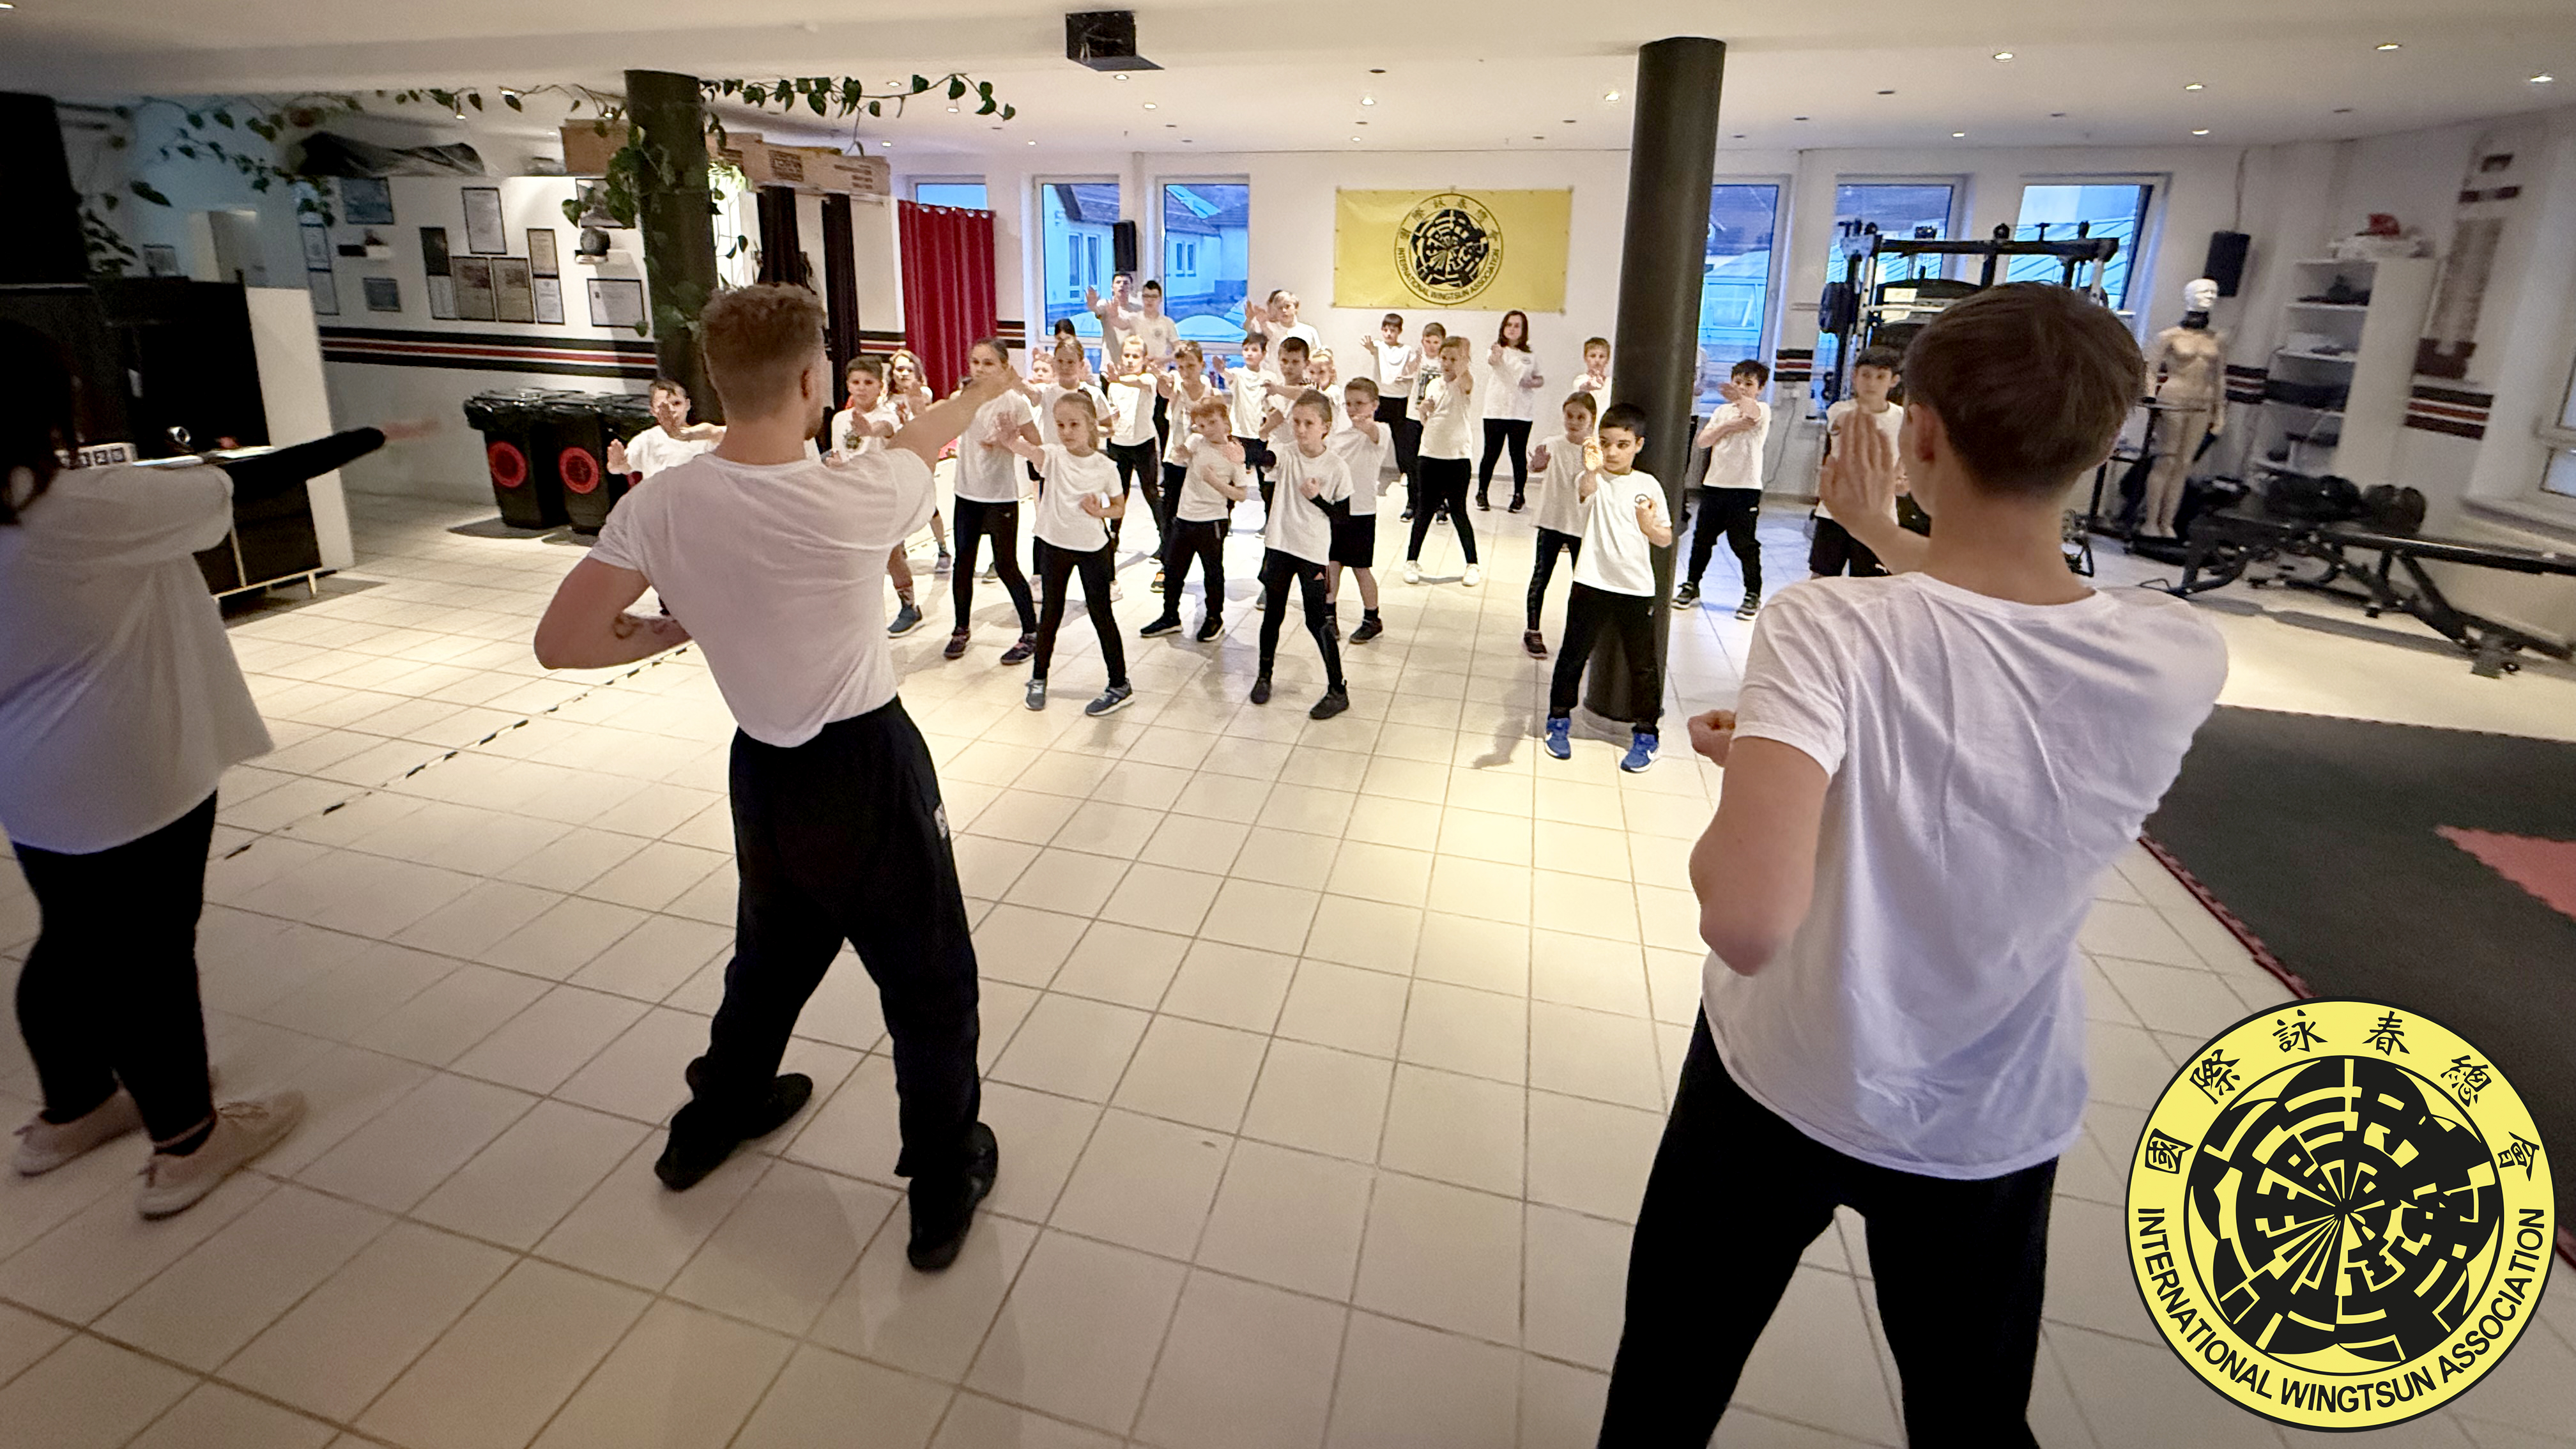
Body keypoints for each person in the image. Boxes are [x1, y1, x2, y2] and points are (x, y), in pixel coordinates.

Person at [1595, 284, 2230, 1445]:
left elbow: (1746, 919)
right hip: (1989, 1104)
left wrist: (1764, 775)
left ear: (1919, 433)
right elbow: (1999, 658)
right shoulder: (2175, 653)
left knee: (1668, 1381)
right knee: (1970, 1414)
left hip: (1777, 1072)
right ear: (2097, 444)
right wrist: (1887, 546)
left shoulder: (1826, 629)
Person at [535, 284, 1004, 1272]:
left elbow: (563, 641)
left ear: (714, 378)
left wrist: (682, 625)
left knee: (772, 957)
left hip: (765, 773)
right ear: (810, 379)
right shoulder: (856, 492)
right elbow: (922, 446)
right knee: (929, 981)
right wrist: (974, 395)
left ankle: (716, 1118)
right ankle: (940, 1175)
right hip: (868, 765)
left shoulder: (662, 503)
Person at [0, 327, 444, 1216]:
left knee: (71, 937)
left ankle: (71, 1109)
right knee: (151, 957)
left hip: (29, 778)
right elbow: (246, 481)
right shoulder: (79, 510)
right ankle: (188, 1142)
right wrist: (372, 438)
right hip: (132, 770)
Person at [1542, 402, 1671, 774]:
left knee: (1642, 665)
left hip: (1636, 588)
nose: (1614, 451)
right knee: (1572, 655)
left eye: (1623, 444)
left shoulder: (1648, 485)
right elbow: (1584, 490)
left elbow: (1664, 538)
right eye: (1607, 443)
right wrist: (1590, 466)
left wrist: (1648, 527)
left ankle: (1647, 735)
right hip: (1591, 582)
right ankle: (1558, 720)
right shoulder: (1591, 478)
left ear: (1638, 445)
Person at [993, 392, 1135, 717]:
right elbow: (1024, 448)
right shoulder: (1052, 456)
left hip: (1092, 550)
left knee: (1102, 616)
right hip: (1055, 546)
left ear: (1090, 426)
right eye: (1060, 424)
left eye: (1074, 424)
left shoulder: (1106, 466)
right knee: (1051, 615)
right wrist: (1009, 437)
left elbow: (1119, 508)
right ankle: (1038, 678)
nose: (1066, 431)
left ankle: (1119, 684)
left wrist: (1099, 511)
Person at [1252, 390, 1353, 719]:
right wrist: (1245, 451)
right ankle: (1264, 675)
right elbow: (1267, 459)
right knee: (1273, 614)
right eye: (1296, 422)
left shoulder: (1336, 467)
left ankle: (1338, 689)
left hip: (1312, 553)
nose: (1300, 429)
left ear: (1325, 427)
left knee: (1318, 620)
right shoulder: (1287, 453)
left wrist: (1317, 498)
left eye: (1308, 423)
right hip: (1280, 546)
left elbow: (1343, 517)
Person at [943, 339, 1041, 664]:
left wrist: (1008, 440)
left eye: (988, 363)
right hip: (966, 493)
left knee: (1006, 565)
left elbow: (1038, 447)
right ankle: (961, 628)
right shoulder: (963, 399)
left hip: (999, 496)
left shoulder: (1015, 403)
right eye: (975, 362)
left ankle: (1031, 632)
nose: (980, 369)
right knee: (963, 563)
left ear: (1003, 367)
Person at [834, 356, 931, 638]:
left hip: (883, 496)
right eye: (855, 383)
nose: (861, 389)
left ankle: (909, 607)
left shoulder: (888, 414)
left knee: (890, 555)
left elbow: (885, 429)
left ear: (880, 386)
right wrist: (838, 466)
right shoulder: (840, 419)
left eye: (868, 383)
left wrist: (869, 430)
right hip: (852, 496)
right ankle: (863, 614)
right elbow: (842, 452)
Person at [1138, 396, 1246, 643]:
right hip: (1185, 518)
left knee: (1213, 573)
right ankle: (1170, 616)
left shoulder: (1233, 454)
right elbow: (1180, 460)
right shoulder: (1196, 441)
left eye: (1213, 422)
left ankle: (1214, 618)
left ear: (1226, 421)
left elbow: (1241, 493)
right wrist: (1182, 453)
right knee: (1174, 570)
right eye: (1201, 424)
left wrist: (1216, 483)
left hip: (1212, 521)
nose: (1208, 429)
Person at [1676, 359, 1772, 620]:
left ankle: (1753, 593)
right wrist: (1729, 426)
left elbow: (1752, 416)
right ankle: (1691, 585)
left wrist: (1741, 404)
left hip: (1744, 488)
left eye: (1749, 384)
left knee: (1743, 544)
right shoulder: (1722, 412)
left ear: (1760, 388)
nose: (1741, 388)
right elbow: (1704, 441)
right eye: (1738, 382)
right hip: (1715, 484)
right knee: (1702, 540)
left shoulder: (1761, 408)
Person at [1810, 345, 1905, 579]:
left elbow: (1906, 456)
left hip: (1878, 515)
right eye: (1866, 375)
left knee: (1870, 583)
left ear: (1894, 381)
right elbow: (1839, 423)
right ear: (1855, 377)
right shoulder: (1840, 410)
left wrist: (1899, 479)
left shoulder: (1902, 418)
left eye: (1880, 376)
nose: (1872, 383)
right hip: (1836, 512)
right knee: (1822, 578)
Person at [1521, 391, 1598, 658]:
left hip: (1581, 524)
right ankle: (1532, 631)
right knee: (1541, 575)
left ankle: (1577, 638)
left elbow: (1595, 484)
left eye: (1581, 417)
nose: (1574, 422)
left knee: (1582, 584)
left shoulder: (1594, 450)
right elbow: (1536, 466)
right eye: (1569, 416)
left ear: (1591, 419)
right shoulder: (1552, 443)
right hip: (1552, 519)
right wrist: (1536, 464)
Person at [1405, 334, 1481, 587]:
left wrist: (1464, 365)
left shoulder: (1464, 382)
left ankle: (1472, 564)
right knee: (1424, 509)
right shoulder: (1434, 385)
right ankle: (1411, 560)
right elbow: (1429, 415)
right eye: (1444, 358)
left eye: (1454, 359)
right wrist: (1424, 410)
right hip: (1429, 455)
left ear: (1463, 361)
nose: (1447, 363)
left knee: (1459, 511)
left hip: (1457, 457)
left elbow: (1467, 382)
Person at [1327, 376, 1390, 645]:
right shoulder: (1339, 436)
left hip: (1362, 511)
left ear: (1374, 405)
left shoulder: (1381, 431)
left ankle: (1372, 618)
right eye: (1349, 404)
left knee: (1361, 568)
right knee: (1332, 565)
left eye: (1360, 404)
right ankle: (1329, 616)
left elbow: (1374, 434)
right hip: (1335, 509)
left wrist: (1367, 424)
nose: (1354, 409)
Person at [884, 351, 953, 573]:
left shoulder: (922, 393)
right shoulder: (886, 399)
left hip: (918, 456)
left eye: (908, 369)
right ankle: (900, 547)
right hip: (894, 457)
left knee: (928, 504)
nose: (904, 374)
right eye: (899, 369)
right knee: (896, 505)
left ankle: (942, 547)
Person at [1099, 335, 1164, 560]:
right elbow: (1111, 414)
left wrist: (1120, 380)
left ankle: (1165, 539)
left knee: (1151, 492)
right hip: (1119, 446)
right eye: (1126, 355)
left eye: (1135, 356)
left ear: (1144, 359)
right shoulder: (1114, 385)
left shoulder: (1148, 380)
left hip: (1143, 445)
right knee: (1119, 494)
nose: (1129, 360)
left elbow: (1140, 383)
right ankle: (1113, 537)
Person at [1478, 309, 1546, 512]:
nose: (1513, 329)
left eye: (1517, 326)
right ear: (1503, 328)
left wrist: (1532, 382)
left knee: (1518, 456)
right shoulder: (1495, 349)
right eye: (1509, 325)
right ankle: (1482, 492)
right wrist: (1498, 356)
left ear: (1523, 330)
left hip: (1521, 413)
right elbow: (1492, 361)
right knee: (1490, 454)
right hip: (1495, 411)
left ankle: (1519, 495)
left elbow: (1540, 378)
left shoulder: (1531, 355)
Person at [606, 376, 720, 482]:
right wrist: (616, 463)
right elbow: (622, 468)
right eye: (663, 406)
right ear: (653, 411)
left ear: (687, 404)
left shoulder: (705, 436)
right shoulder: (647, 439)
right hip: (659, 500)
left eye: (676, 403)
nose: (671, 410)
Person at [1360, 313, 1419, 499]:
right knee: (1372, 436)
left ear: (1399, 331)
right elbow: (1373, 349)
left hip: (1400, 399)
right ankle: (1370, 472)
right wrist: (1370, 347)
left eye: (1392, 330)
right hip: (1380, 398)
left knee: (1403, 442)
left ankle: (1406, 473)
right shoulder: (1378, 346)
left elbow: (1413, 369)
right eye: (1385, 329)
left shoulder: (1407, 350)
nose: (1388, 333)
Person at [1399, 321, 1447, 522]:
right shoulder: (1417, 358)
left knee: (1436, 463)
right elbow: (1405, 373)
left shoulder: (1446, 361)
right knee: (1412, 462)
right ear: (1422, 341)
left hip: (1437, 418)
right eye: (1428, 341)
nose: (1432, 346)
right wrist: (1415, 362)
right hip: (1414, 416)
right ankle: (1413, 503)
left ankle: (1440, 504)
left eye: (1436, 342)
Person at [1225, 333, 1273, 529]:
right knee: (1232, 478)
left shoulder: (1270, 377)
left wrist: (1267, 426)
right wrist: (1221, 370)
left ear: (1263, 353)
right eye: (1246, 349)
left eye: (1254, 350)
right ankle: (1224, 518)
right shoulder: (1237, 374)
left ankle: (1269, 521)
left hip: (1260, 436)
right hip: (1239, 434)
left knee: (1265, 483)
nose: (1249, 353)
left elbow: (1273, 405)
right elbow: (1227, 376)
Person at [1572, 337, 1613, 405]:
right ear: (1585, 358)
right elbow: (1582, 389)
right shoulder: (1580, 380)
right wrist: (1589, 385)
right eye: (1593, 356)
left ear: (1607, 359)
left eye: (1602, 357)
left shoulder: (1611, 383)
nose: (1597, 360)